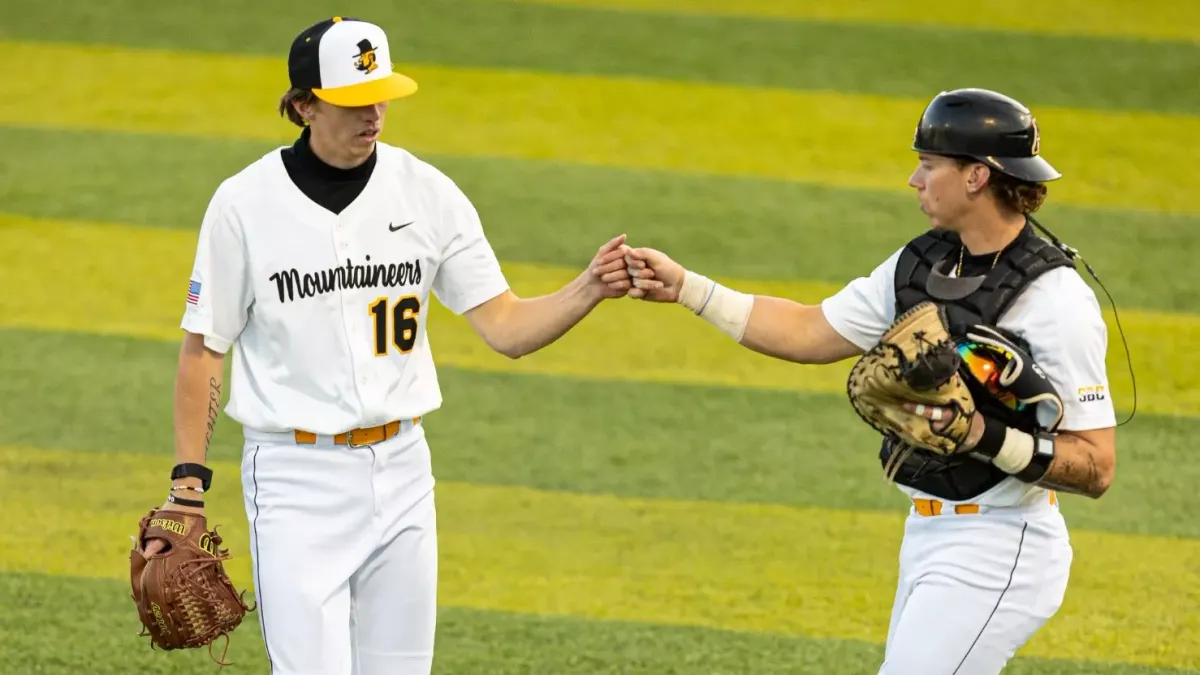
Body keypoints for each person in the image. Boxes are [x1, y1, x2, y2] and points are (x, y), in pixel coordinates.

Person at [141, 16, 632, 675]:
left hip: (404, 470)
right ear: (303, 105)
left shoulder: (428, 194)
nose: (373, 114)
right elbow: (205, 349)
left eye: (381, 96)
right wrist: (187, 488)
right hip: (294, 479)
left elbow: (506, 326)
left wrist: (588, 288)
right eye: (352, 101)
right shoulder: (244, 204)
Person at [623, 88, 1118, 674]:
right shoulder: (925, 263)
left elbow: (1096, 466)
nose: (914, 179)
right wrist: (689, 289)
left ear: (977, 177)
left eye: (930, 165)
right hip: (927, 534)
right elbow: (809, 331)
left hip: (1001, 544)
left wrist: (981, 436)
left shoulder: (1057, 300)